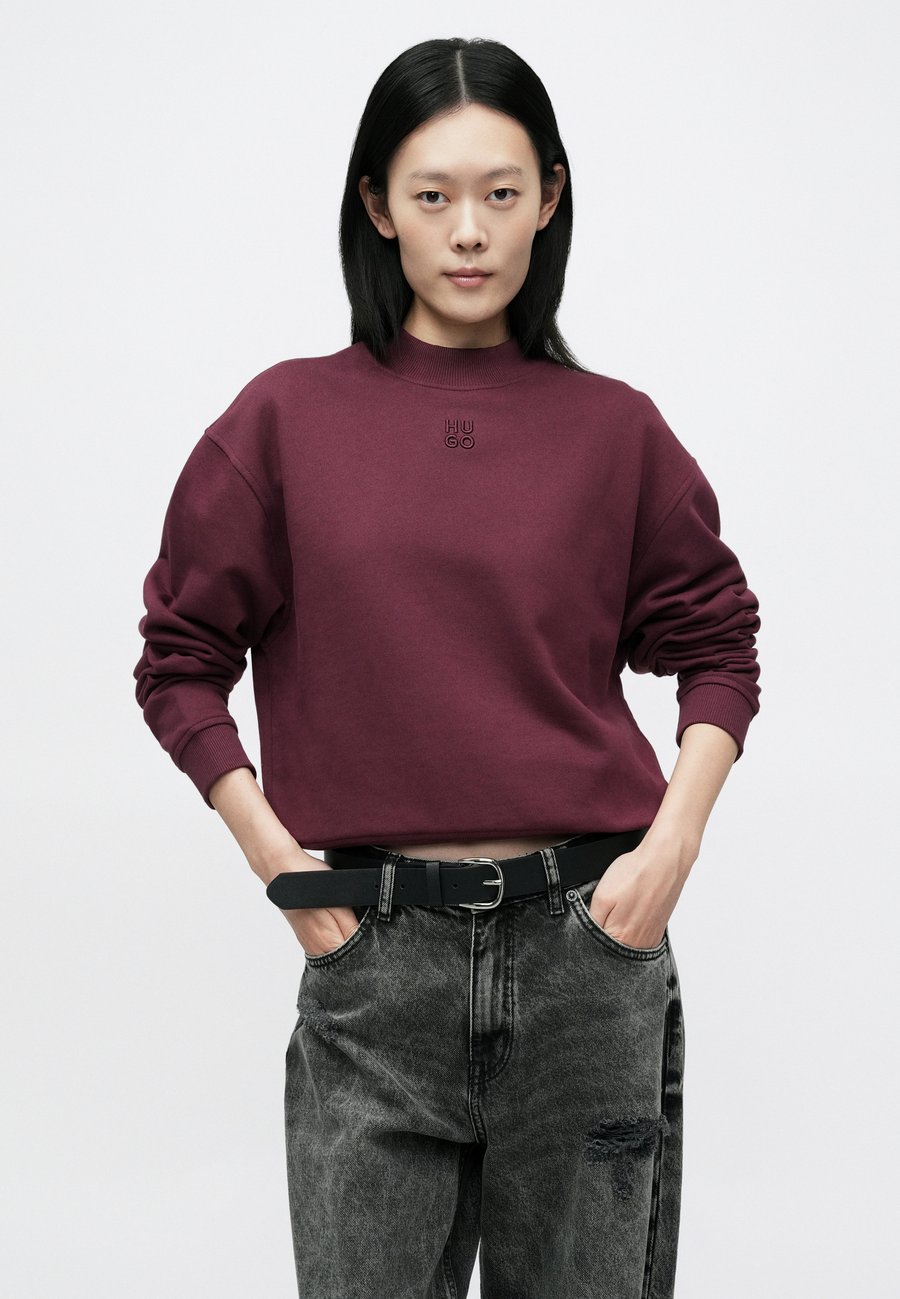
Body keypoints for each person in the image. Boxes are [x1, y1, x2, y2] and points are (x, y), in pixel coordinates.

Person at [133, 35, 761, 1299]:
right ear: (378, 206)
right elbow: (181, 660)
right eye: (433, 195)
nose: (468, 230)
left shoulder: (615, 431)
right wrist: (279, 864)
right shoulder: (283, 421)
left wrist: (672, 850)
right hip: (377, 965)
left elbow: (715, 643)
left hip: (588, 955)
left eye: (501, 192)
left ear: (549, 199)